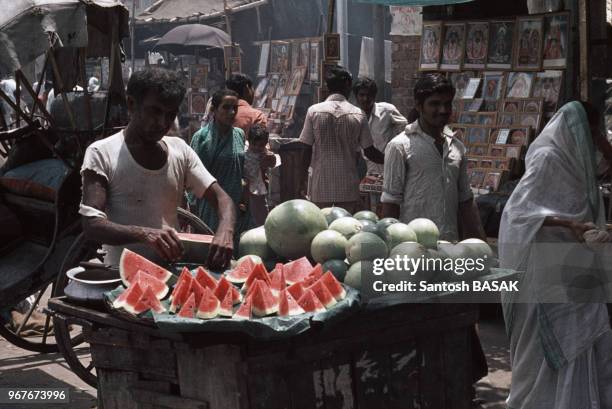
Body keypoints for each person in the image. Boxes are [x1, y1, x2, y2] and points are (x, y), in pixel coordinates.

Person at [499, 101, 612, 409]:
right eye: (591, 131)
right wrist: (569, 223)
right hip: (544, 269)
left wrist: (599, 137)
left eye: (596, 131)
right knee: (544, 351)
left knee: (584, 339)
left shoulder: (580, 160)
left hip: (576, 264)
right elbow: (519, 212)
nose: (594, 137)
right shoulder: (549, 158)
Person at [80, 67, 236, 269]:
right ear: (131, 104)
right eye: (154, 111)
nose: (162, 123)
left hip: (171, 272)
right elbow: (92, 224)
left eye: (170, 115)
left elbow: (223, 199)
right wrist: (144, 234)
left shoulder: (180, 150)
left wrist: (226, 231)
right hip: (119, 276)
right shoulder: (101, 152)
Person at [381, 73, 485, 241]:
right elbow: (390, 203)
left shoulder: (457, 147)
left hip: (449, 244)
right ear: (419, 106)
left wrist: (480, 247)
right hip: (412, 246)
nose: (443, 110)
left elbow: (466, 201)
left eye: (447, 104)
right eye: (435, 104)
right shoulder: (399, 146)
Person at [298, 67, 384, 213]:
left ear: (328, 86)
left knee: (322, 229)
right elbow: (370, 152)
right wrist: (391, 159)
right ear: (349, 86)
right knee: (345, 229)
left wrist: (301, 180)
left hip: (320, 186)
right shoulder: (358, 114)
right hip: (348, 188)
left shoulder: (314, 111)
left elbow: (305, 148)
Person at [190, 89, 250, 249]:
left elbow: (241, 169)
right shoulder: (202, 137)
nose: (231, 112)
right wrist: (193, 208)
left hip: (236, 202)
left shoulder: (239, 134)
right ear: (214, 110)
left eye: (234, 108)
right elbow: (193, 174)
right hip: (210, 204)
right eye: (226, 108)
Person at [353, 77, 407, 176]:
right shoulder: (354, 117)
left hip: (393, 169)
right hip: (372, 172)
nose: (365, 99)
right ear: (356, 96)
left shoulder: (387, 110)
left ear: (374, 96)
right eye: (362, 95)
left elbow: (405, 130)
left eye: (369, 95)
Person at [244, 124, 278, 227]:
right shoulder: (243, 151)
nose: (257, 148)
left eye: (261, 145)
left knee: (261, 217)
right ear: (249, 141)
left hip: (259, 189)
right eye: (255, 145)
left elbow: (273, 163)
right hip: (245, 187)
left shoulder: (265, 153)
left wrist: (269, 159)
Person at [224, 73, 267, 138]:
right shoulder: (257, 115)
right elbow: (260, 143)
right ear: (247, 89)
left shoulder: (220, 113)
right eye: (253, 88)